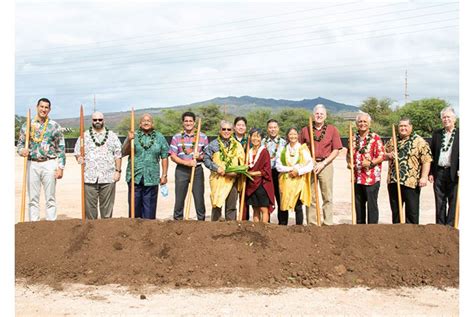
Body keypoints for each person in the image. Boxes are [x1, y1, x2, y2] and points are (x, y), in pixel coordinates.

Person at [17, 98, 66, 221]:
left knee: (50, 197)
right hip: (32, 163)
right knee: (33, 198)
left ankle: (51, 225)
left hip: (49, 163)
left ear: (49, 109)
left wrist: (60, 167)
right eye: (42, 107)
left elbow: (61, 147)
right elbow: (20, 144)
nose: (44, 109)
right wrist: (22, 151)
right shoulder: (27, 125)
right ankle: (34, 225)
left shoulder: (54, 126)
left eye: (46, 107)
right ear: (37, 107)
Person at [299, 104, 342, 225]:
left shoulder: (332, 129)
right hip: (310, 165)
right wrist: (310, 161)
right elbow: (300, 148)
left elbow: (336, 150)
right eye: (317, 114)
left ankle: (328, 223)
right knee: (311, 196)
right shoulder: (305, 130)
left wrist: (323, 163)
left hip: (326, 164)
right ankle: (312, 223)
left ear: (325, 116)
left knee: (327, 196)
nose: (319, 116)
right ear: (313, 115)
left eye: (321, 114)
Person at [74, 112, 122, 219]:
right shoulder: (84, 136)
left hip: (108, 178)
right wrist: (79, 158)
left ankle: (106, 232)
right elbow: (77, 152)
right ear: (91, 121)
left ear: (103, 120)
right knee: (90, 210)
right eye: (95, 120)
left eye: (100, 120)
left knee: (107, 210)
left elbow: (118, 155)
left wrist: (118, 171)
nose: (97, 122)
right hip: (89, 178)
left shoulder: (112, 136)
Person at [385, 118, 432, 224]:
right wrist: (388, 155)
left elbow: (426, 160)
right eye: (401, 126)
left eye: (405, 126)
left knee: (412, 212)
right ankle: (398, 234)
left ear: (411, 127)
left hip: (411, 181)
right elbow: (382, 155)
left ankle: (412, 236)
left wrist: (424, 177)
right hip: (394, 181)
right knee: (396, 212)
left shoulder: (419, 141)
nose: (403, 128)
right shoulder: (392, 140)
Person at [122, 113, 169, 219]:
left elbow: (165, 156)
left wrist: (164, 175)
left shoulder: (159, 137)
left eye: (148, 121)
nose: (146, 122)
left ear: (152, 123)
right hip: (135, 177)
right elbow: (123, 152)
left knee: (149, 211)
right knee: (134, 210)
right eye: (144, 120)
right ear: (140, 124)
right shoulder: (133, 136)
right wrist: (129, 140)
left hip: (151, 178)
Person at [169, 111, 209, 221]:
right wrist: (187, 163)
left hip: (197, 170)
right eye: (186, 121)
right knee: (179, 198)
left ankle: (201, 222)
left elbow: (207, 155)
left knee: (199, 198)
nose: (188, 123)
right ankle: (178, 221)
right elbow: (173, 156)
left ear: (194, 123)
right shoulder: (176, 137)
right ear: (183, 123)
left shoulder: (203, 137)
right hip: (181, 170)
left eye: (190, 121)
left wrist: (200, 156)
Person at [203, 120, 245, 221]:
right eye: (224, 129)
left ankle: (231, 229)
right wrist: (217, 168)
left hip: (232, 179)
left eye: (229, 129)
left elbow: (242, 163)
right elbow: (206, 159)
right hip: (218, 178)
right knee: (217, 204)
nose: (226, 131)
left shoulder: (237, 145)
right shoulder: (213, 144)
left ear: (232, 131)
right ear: (219, 130)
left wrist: (237, 172)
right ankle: (215, 228)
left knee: (231, 206)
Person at [346, 113, 384, 224]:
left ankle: (372, 230)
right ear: (357, 124)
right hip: (357, 178)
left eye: (365, 122)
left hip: (371, 178)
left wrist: (370, 163)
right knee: (359, 205)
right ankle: (360, 229)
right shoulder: (352, 138)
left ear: (369, 123)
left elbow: (381, 156)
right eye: (360, 122)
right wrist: (349, 163)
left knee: (372, 206)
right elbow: (349, 155)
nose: (362, 124)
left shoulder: (375, 138)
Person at [428, 107, 459, 226]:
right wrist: (431, 172)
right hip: (439, 171)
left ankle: (450, 227)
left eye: (448, 117)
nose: (446, 119)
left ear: (454, 119)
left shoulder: (461, 134)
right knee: (439, 200)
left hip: (454, 172)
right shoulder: (437, 134)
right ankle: (440, 227)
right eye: (444, 117)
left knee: (453, 200)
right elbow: (431, 154)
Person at [276, 127, 313, 225]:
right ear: (287, 136)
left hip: (298, 181)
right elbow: (278, 166)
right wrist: (291, 169)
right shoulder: (283, 150)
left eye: (295, 134)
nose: (293, 136)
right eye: (290, 134)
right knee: (284, 204)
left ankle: (299, 227)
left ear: (298, 135)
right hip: (286, 181)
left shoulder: (302, 149)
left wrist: (298, 171)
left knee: (298, 206)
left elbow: (310, 165)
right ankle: (283, 227)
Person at [245, 128, 275, 222]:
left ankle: (264, 229)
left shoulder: (264, 152)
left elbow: (266, 171)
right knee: (255, 208)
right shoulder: (248, 152)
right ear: (250, 137)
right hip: (251, 184)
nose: (255, 139)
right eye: (253, 136)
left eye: (258, 136)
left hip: (261, 184)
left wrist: (253, 173)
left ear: (261, 138)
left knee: (263, 208)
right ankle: (256, 230)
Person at [263, 119, 286, 222]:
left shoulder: (284, 142)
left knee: (281, 198)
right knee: (266, 198)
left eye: (274, 127)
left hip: (279, 173)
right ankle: (266, 223)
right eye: (270, 127)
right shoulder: (262, 142)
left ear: (278, 128)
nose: (272, 129)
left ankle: (282, 224)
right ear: (267, 129)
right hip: (266, 173)